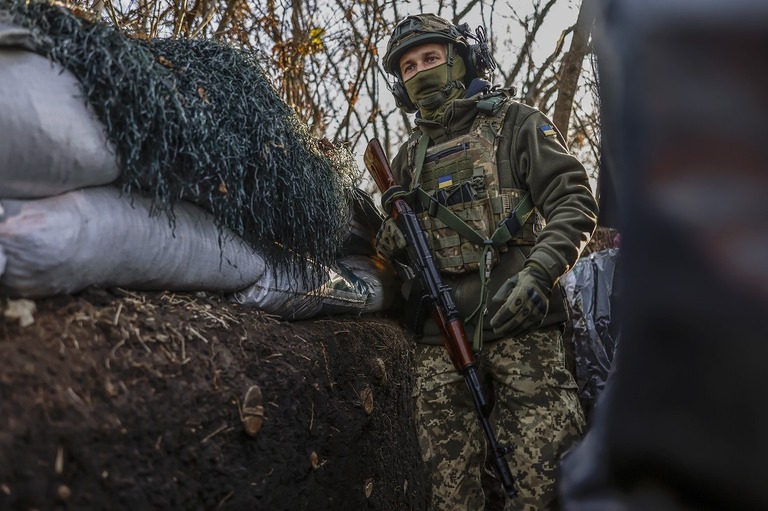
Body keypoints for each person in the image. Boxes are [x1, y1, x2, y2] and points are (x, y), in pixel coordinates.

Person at [374, 13, 599, 511]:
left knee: (544, 487)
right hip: (442, 341)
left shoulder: (518, 122)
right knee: (448, 494)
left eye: (431, 58)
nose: (421, 72)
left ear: (462, 59)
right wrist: (390, 239)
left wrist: (540, 273)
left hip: (523, 329)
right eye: (408, 67)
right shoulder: (408, 156)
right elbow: (403, 251)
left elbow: (573, 202)